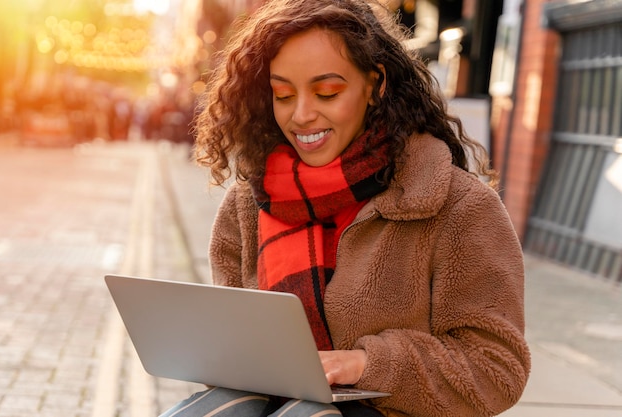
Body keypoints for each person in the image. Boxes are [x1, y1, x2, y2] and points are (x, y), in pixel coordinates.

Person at [161, 0, 530, 416]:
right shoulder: (249, 202)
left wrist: (367, 364)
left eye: (327, 92)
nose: (301, 115)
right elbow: (234, 346)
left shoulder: (458, 206)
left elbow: (496, 369)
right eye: (283, 94)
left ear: (376, 84)